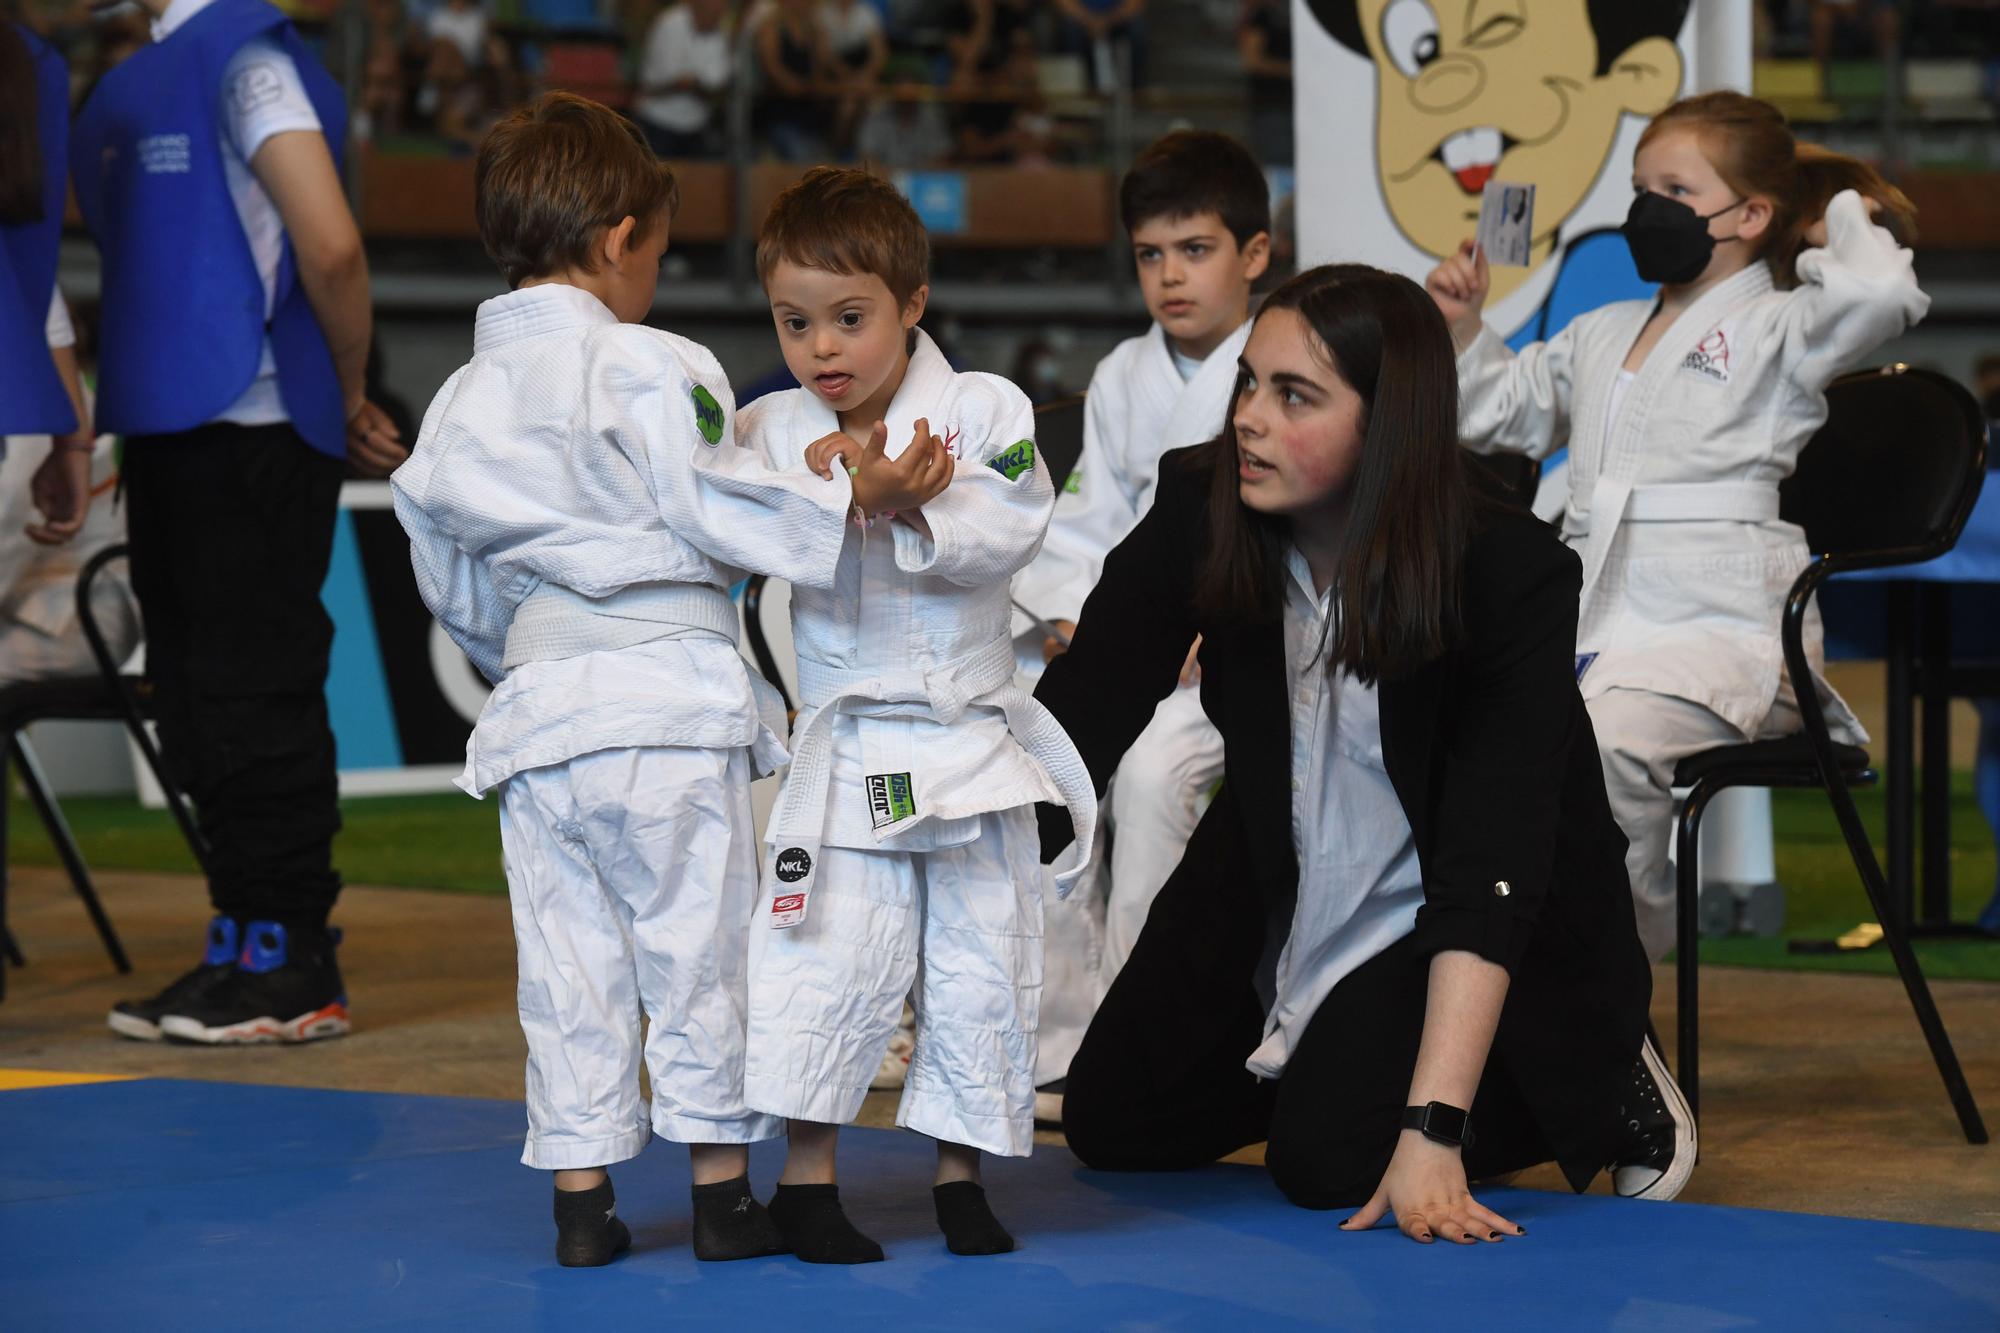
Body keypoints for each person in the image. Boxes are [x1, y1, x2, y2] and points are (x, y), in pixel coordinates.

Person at [390, 93, 950, 1268]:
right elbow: (718, 503)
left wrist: (535, 642)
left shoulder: (454, 404)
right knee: (696, 951)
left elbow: (454, 585)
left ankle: (583, 1203)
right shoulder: (654, 363)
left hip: (540, 713)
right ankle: (715, 1194)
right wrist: (849, 496)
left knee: (567, 960)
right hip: (662, 705)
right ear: (616, 241)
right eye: (653, 245)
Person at [1040, 264, 1690, 1244]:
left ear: (1385, 419)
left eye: (1292, 394)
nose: (1249, 418)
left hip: (1448, 889)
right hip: (1280, 860)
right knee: (1115, 1122)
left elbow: (1490, 857)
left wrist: (1431, 1127)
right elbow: (1081, 712)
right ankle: (1328, 1074)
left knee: (1327, 1163)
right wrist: (938, 861)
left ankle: (1596, 1065)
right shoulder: (1201, 502)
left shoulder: (1501, 572)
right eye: (1247, 383)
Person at [1426, 91, 1928, 961]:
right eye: (1639, 187)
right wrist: (1466, 327)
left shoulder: (1781, 326)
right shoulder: (1600, 331)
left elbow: (1883, 294)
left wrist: (1839, 212)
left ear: (1753, 213)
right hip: (1601, 624)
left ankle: (1620, 989)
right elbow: (1496, 413)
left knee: (1607, 744)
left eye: (1675, 189)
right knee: (1478, 733)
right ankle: (1510, 986)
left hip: (1723, 631)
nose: (1647, 209)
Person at [737, 166, 1096, 1263]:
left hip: (966, 737)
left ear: (912, 302)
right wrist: (841, 494)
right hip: (849, 743)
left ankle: (958, 1177)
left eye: (850, 318)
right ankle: (805, 1182)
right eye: (796, 323)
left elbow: (1011, 524)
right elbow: (740, 527)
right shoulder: (771, 425)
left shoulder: (982, 407)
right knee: (827, 957)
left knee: (979, 963)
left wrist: (916, 500)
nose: (822, 349)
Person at [71, 0, 408, 1044]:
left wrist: (347, 392)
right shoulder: (155, 68)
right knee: (198, 698)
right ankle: (241, 938)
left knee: (253, 692)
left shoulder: (244, 56)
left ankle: (293, 957)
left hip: (254, 427)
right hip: (170, 428)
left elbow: (332, 246)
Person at [1014, 130, 1269, 1117]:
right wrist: (1081, 621)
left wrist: (1214, 628)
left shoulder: (1285, 359)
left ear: (1253, 253)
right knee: (1044, 756)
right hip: (1138, 645)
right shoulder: (1124, 373)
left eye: (1194, 250)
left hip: (1235, 663)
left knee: (1157, 775)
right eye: (1149, 255)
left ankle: (1151, 1030)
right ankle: (1056, 1030)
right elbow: (1086, 527)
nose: (1169, 276)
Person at [2, 21, 95, 552]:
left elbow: (26, 270)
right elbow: (28, 272)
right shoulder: (28, 60)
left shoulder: (29, 62)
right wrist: (72, 439)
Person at [634, 0, 732, 159]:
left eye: (723, 7)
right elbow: (672, 77)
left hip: (697, 126)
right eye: (716, 6)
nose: (720, 11)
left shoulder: (721, 31)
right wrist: (699, 84)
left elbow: (718, 80)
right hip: (658, 122)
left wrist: (693, 83)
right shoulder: (670, 23)